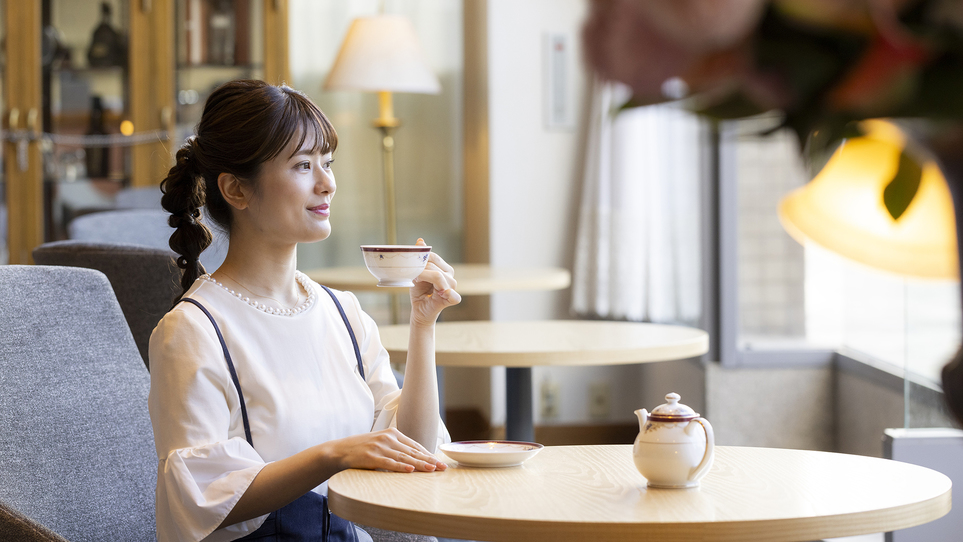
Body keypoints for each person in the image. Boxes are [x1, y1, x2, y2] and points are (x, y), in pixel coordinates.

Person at [148, 79, 460, 542]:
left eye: (328, 163)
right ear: (236, 189)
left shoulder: (343, 313)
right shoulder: (193, 330)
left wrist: (423, 325)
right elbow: (203, 497)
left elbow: (412, 449)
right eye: (302, 165)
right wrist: (333, 455)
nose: (327, 183)